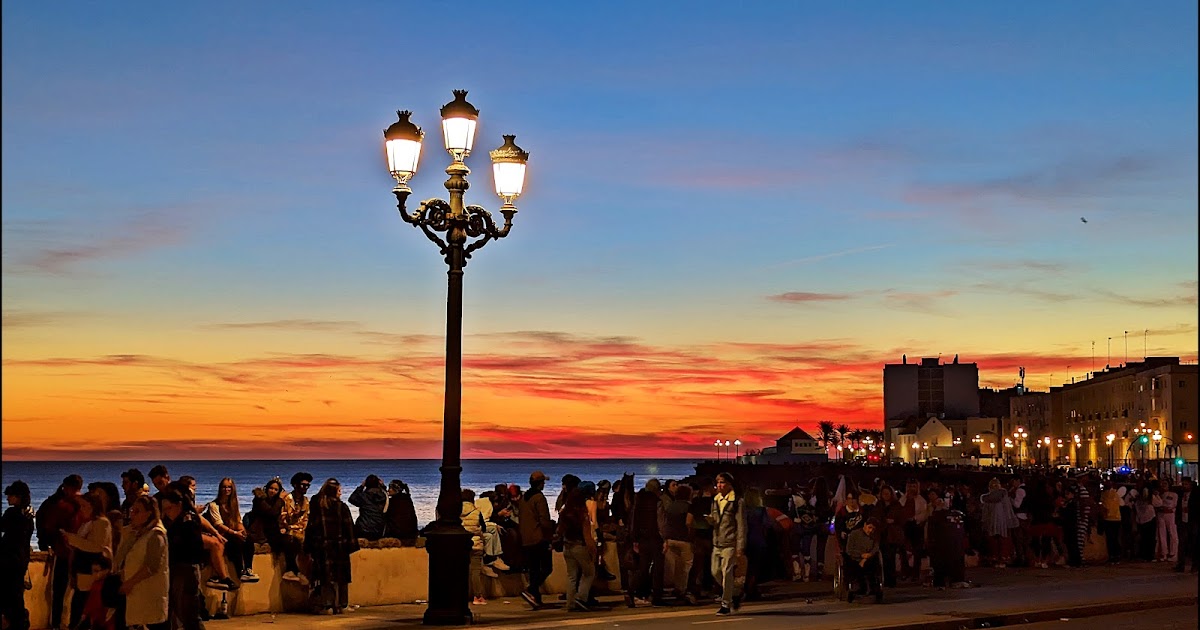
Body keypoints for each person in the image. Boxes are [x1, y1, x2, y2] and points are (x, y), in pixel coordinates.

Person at [36, 474, 83, 630]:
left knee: (59, 592)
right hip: (82, 554)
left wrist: (47, 543)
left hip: (64, 553)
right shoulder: (86, 504)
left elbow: (48, 527)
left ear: (66, 487)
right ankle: (72, 623)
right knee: (78, 593)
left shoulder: (61, 506)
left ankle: (57, 624)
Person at [305, 478, 359, 615]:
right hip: (340, 546)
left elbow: (311, 527)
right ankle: (342, 605)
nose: (341, 493)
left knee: (325, 577)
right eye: (339, 490)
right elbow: (349, 527)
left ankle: (327, 605)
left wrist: (309, 547)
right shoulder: (342, 507)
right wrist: (352, 545)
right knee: (342, 578)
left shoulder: (318, 506)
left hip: (323, 546)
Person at [114, 495, 169, 629]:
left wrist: (129, 583)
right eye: (132, 511)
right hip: (135, 593)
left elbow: (151, 566)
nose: (132, 515)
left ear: (149, 513)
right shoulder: (136, 533)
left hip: (147, 593)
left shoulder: (156, 535)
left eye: (137, 511)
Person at [63, 492, 113, 628]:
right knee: (79, 607)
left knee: (85, 610)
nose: (82, 509)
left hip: (92, 573)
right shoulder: (89, 523)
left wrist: (73, 540)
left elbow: (96, 546)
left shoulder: (102, 523)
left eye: (84, 506)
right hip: (82, 572)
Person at [160, 490, 207, 630]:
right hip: (179, 569)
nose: (168, 512)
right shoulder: (178, 522)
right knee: (183, 612)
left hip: (185, 569)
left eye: (169, 508)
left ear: (179, 504)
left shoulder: (188, 522)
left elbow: (191, 547)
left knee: (188, 613)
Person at [204, 478, 259, 584]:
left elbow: (237, 520)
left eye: (229, 487)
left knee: (248, 539)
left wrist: (242, 532)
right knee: (235, 543)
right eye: (224, 487)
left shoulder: (233, 504)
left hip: (231, 531)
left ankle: (248, 569)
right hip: (221, 533)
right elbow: (218, 524)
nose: (226, 489)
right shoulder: (214, 505)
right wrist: (234, 533)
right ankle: (240, 572)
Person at [707, 472, 745, 616]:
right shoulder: (716, 500)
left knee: (727, 573)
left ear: (729, 484)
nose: (719, 485)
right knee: (715, 572)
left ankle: (726, 604)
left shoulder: (737, 501)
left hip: (730, 542)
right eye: (717, 482)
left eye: (722, 482)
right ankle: (735, 592)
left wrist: (740, 546)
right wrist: (711, 520)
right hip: (717, 541)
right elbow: (716, 519)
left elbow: (741, 524)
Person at [518, 471, 554, 610]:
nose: (544, 484)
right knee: (546, 567)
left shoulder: (524, 498)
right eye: (543, 482)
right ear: (540, 483)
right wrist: (550, 533)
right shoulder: (539, 497)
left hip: (526, 538)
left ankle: (536, 599)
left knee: (533, 569)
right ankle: (531, 590)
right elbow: (544, 520)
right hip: (539, 538)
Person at [1, 481, 35, 630]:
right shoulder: (28, 514)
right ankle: (19, 622)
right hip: (21, 560)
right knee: (16, 595)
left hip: (8, 560)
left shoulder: (12, 513)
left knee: (8, 596)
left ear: (18, 497)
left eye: (10, 495)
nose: (7, 498)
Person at [557, 487, 596, 612]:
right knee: (589, 573)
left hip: (567, 546)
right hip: (579, 546)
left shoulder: (564, 513)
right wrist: (593, 550)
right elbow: (587, 536)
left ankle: (570, 603)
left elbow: (559, 531)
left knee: (571, 576)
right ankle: (581, 598)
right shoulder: (582, 514)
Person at [628, 479, 665, 607]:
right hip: (655, 538)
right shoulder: (657, 502)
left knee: (642, 567)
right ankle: (657, 597)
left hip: (641, 538)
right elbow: (660, 522)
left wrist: (634, 539)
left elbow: (633, 521)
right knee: (658, 568)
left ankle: (634, 593)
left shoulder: (638, 500)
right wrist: (664, 538)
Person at [661, 483, 695, 604]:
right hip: (683, 539)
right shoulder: (689, 506)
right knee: (685, 566)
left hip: (670, 538)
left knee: (673, 565)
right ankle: (681, 589)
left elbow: (665, 522)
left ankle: (675, 587)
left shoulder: (670, 506)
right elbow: (688, 522)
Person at [925, 489, 967, 588]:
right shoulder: (934, 513)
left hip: (950, 543)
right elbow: (931, 527)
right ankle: (940, 580)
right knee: (939, 562)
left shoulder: (952, 514)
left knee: (951, 560)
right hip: (939, 543)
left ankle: (954, 579)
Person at [460, 488, 490, 605]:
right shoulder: (477, 512)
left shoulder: (455, 512)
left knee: (461, 571)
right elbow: (484, 528)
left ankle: (459, 595)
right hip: (476, 544)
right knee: (475, 572)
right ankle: (477, 596)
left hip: (460, 545)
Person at [281, 473, 312, 584]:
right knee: (291, 540)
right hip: (287, 530)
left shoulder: (306, 501)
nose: (305, 488)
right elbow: (282, 518)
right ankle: (293, 570)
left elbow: (305, 520)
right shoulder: (287, 499)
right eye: (303, 485)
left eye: (307, 486)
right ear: (295, 485)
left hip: (300, 531)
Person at [981, 478, 1018, 567]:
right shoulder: (1003, 494)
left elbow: (985, 511)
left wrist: (984, 521)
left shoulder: (987, 497)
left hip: (992, 520)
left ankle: (995, 558)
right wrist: (1010, 520)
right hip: (1002, 520)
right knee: (1003, 539)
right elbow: (1007, 508)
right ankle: (1003, 559)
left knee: (994, 539)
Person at [844, 518, 882, 603]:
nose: (870, 530)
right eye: (869, 527)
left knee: (872, 565)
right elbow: (849, 550)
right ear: (865, 525)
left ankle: (873, 588)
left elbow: (876, 548)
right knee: (853, 567)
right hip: (855, 558)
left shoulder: (874, 536)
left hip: (868, 558)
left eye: (873, 529)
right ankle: (858, 588)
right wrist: (860, 555)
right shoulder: (854, 534)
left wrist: (866, 558)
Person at [349, 475, 388, 541]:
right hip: (379, 530)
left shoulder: (363, 496)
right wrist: (383, 486)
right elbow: (385, 493)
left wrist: (361, 487)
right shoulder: (384, 496)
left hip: (363, 530)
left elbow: (351, 499)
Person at [1175, 477, 1197, 573]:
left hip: (1193, 521)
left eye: (1186, 484)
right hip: (1183, 521)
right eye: (1183, 484)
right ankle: (1181, 564)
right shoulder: (1181, 494)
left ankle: (1195, 565)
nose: (1184, 486)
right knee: (1182, 543)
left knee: (1194, 543)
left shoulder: (1195, 495)